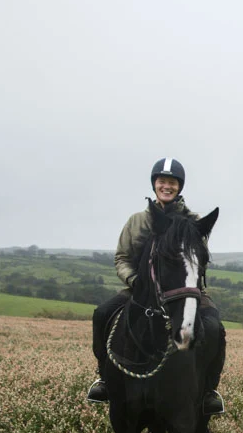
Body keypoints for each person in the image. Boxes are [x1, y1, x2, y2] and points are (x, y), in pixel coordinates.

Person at [86, 157, 226, 415]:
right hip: (140, 290)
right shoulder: (137, 221)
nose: (167, 186)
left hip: (183, 292)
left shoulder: (192, 221)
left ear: (179, 187)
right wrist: (136, 281)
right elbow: (122, 258)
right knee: (102, 314)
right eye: (162, 181)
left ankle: (208, 392)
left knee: (215, 326)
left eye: (172, 182)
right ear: (154, 185)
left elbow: (198, 259)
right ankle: (105, 380)